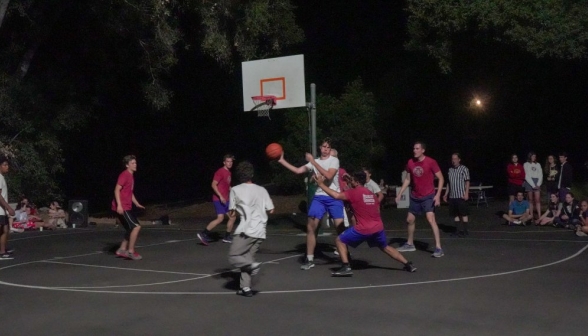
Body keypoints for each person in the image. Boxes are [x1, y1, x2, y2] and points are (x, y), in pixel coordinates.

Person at [314, 171, 416, 276]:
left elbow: (336, 195)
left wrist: (321, 184)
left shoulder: (354, 192)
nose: (351, 181)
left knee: (339, 240)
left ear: (357, 182)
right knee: (385, 247)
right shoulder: (370, 194)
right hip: (378, 227)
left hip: (364, 228)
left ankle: (346, 267)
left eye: (352, 180)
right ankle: (408, 264)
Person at [277, 138, 344, 270]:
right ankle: (309, 259)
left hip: (333, 196)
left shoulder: (334, 160)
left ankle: (345, 257)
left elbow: (329, 176)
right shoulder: (316, 161)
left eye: (328, 148)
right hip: (319, 196)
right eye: (323, 147)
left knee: (340, 229)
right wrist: (281, 160)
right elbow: (297, 171)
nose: (325, 149)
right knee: (310, 227)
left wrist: (313, 162)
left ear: (330, 150)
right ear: (320, 147)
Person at [227, 161, 275, 297]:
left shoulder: (235, 190)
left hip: (246, 230)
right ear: (251, 174)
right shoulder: (262, 190)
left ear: (238, 175)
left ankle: (253, 266)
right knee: (247, 259)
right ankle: (245, 288)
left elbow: (232, 213)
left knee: (234, 256)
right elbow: (271, 209)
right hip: (260, 231)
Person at [395, 141, 444, 258]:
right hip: (415, 196)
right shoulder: (410, 162)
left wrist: (438, 195)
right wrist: (400, 193)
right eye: (414, 148)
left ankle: (438, 248)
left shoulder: (431, 162)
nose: (414, 151)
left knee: (430, 218)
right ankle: (410, 244)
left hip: (428, 195)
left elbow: (441, 178)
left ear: (423, 150)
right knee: (410, 219)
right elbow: (408, 179)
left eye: (417, 149)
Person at [197, 154, 237, 245]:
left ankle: (227, 237)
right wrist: (221, 196)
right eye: (228, 161)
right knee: (220, 218)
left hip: (226, 199)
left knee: (232, 217)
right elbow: (213, 184)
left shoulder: (229, 173)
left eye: (231, 161)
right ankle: (204, 234)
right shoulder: (220, 171)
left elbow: (226, 185)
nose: (230, 163)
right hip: (219, 199)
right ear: (224, 162)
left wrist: (232, 190)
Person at [112, 155, 146, 260]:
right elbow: (116, 190)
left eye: (135, 163)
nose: (135, 165)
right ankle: (130, 251)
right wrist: (119, 206)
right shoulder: (125, 175)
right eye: (133, 163)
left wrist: (136, 203)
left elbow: (129, 193)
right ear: (127, 165)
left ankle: (122, 249)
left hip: (127, 206)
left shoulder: (131, 176)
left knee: (130, 228)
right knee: (136, 227)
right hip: (123, 207)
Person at [442, 153, 470, 237]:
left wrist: (466, 193)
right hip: (452, 196)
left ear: (459, 159)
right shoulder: (450, 170)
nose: (453, 160)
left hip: (461, 195)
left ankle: (465, 231)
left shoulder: (464, 169)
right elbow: (448, 183)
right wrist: (446, 194)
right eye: (452, 159)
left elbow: (467, 181)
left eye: (455, 159)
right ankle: (457, 230)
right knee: (455, 214)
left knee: (463, 213)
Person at [330, 148, 351, 227]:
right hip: (327, 195)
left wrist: (347, 187)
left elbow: (349, 179)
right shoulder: (325, 169)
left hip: (338, 196)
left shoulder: (340, 170)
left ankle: (345, 231)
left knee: (342, 218)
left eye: (332, 157)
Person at [0, 156, 16, 260]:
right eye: (5, 165)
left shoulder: (2, 177)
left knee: (5, 230)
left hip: (2, 210)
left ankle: (2, 251)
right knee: (3, 230)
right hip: (0, 209)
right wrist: (9, 208)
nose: (7, 167)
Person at [523, 152, 542, 220]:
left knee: (537, 200)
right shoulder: (526, 164)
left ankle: (539, 216)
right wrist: (533, 185)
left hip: (537, 181)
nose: (534, 158)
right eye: (533, 156)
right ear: (530, 157)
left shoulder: (538, 164)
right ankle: (531, 216)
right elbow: (526, 175)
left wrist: (538, 184)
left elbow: (540, 174)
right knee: (530, 200)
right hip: (529, 182)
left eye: (535, 156)